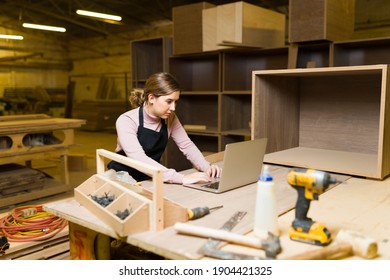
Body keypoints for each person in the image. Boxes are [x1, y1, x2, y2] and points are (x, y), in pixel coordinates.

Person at [107, 72, 222, 184]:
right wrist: (181, 178)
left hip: (150, 177)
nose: (173, 108)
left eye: (175, 102)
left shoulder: (170, 118)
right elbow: (138, 158)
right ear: (151, 98)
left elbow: (186, 145)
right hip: (121, 178)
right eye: (169, 101)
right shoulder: (126, 120)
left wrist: (207, 167)